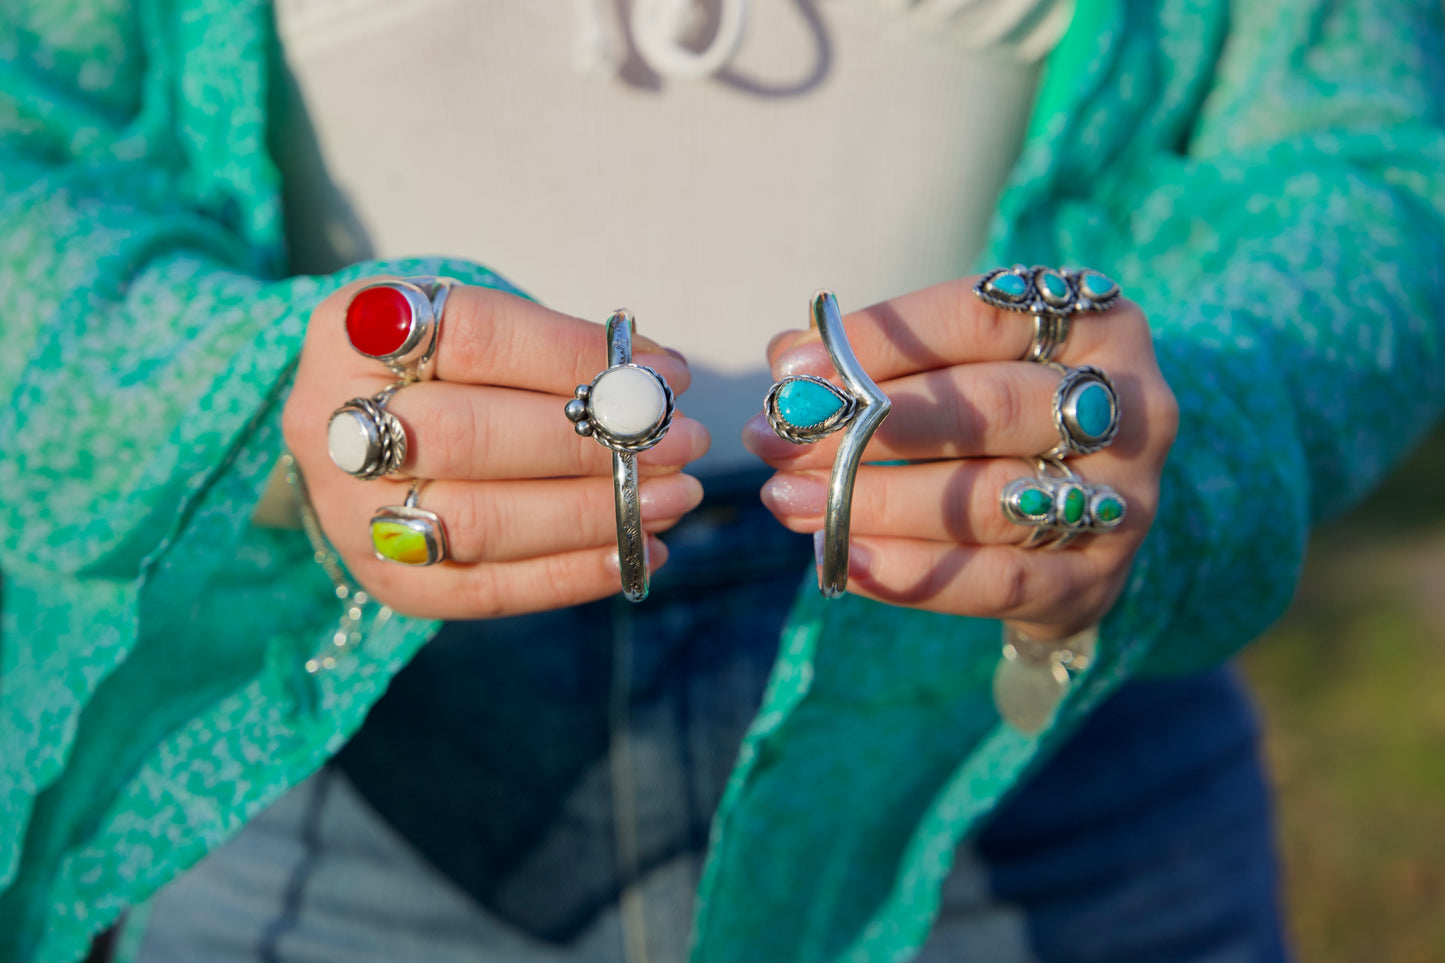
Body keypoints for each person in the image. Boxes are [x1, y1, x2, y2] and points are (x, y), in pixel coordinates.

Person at [2, 0, 1444, 961]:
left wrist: (1199, 412)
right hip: (343, 725)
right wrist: (247, 398)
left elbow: (1368, 154)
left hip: (1023, 725)